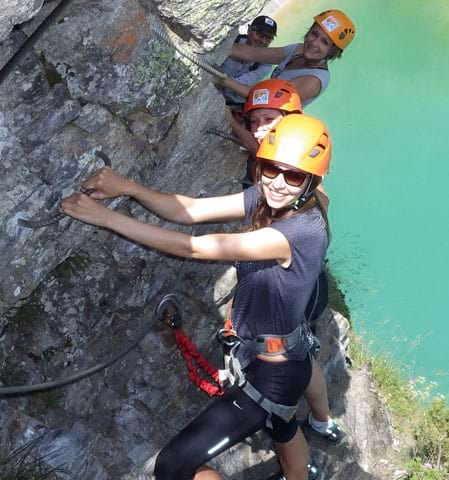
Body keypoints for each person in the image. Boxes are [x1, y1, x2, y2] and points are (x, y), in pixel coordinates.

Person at [60, 114, 332, 480]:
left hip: (277, 372)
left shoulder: (298, 231)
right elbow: (191, 210)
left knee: (173, 466)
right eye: (271, 169)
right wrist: (128, 188)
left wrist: (106, 218)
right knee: (280, 424)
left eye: (294, 175)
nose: (279, 183)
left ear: (311, 180)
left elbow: (197, 248)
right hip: (270, 356)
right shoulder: (272, 200)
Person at [229, 79, 345, 449]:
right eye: (256, 121)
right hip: (302, 279)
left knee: (300, 353)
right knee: (301, 353)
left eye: (271, 121)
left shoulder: (304, 180)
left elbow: (255, 147)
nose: (262, 128)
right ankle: (319, 420)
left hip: (302, 288)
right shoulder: (294, 166)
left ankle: (316, 420)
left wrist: (230, 119)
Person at [220, 10, 355, 107]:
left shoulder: (314, 80)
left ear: (332, 51)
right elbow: (253, 53)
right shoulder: (298, 50)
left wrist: (222, 79)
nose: (314, 43)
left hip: (266, 125)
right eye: (314, 34)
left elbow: (267, 98)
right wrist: (218, 51)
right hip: (257, 111)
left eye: (325, 42)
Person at [220, 15, 278, 108]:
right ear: (249, 30)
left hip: (236, 104)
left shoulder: (265, 64)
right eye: (260, 34)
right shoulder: (232, 41)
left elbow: (240, 83)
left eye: (268, 38)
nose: (263, 41)